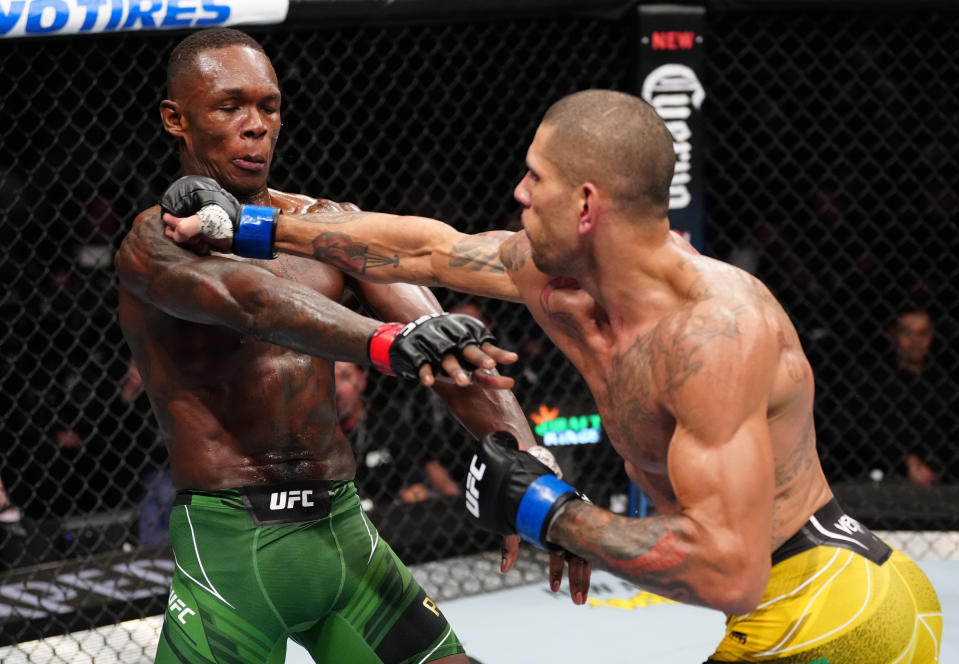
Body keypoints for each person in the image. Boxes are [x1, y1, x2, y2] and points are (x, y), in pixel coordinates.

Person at [166, 88, 943, 662]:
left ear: (585, 203)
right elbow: (422, 249)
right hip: (793, 601)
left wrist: (549, 513)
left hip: (827, 610)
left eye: (533, 179)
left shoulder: (713, 333)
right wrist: (253, 225)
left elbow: (728, 571)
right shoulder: (555, 279)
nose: (517, 193)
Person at [115, 28, 585, 664]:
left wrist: (534, 476)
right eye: (229, 107)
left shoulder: (326, 222)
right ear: (177, 119)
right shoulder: (154, 240)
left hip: (342, 532)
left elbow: (445, 347)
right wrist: (391, 342)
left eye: (269, 105)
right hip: (232, 547)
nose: (256, 126)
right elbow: (255, 303)